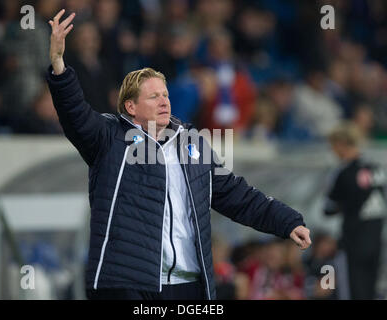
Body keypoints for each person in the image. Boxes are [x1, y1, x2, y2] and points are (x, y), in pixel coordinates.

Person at [46, 9, 311, 300]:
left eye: (165, 94)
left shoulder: (193, 146)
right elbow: (75, 115)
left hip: (190, 286)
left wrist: (287, 221)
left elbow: (238, 195)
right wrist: (60, 66)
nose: (163, 101)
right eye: (153, 96)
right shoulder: (109, 138)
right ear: (131, 107)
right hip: (129, 284)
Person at [324, 122, 387, 299]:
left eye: (333, 146)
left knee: (352, 293)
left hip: (353, 243)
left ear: (341, 144)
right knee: (370, 292)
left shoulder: (343, 173)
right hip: (376, 242)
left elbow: (328, 208)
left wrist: (344, 205)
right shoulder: (376, 169)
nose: (333, 151)